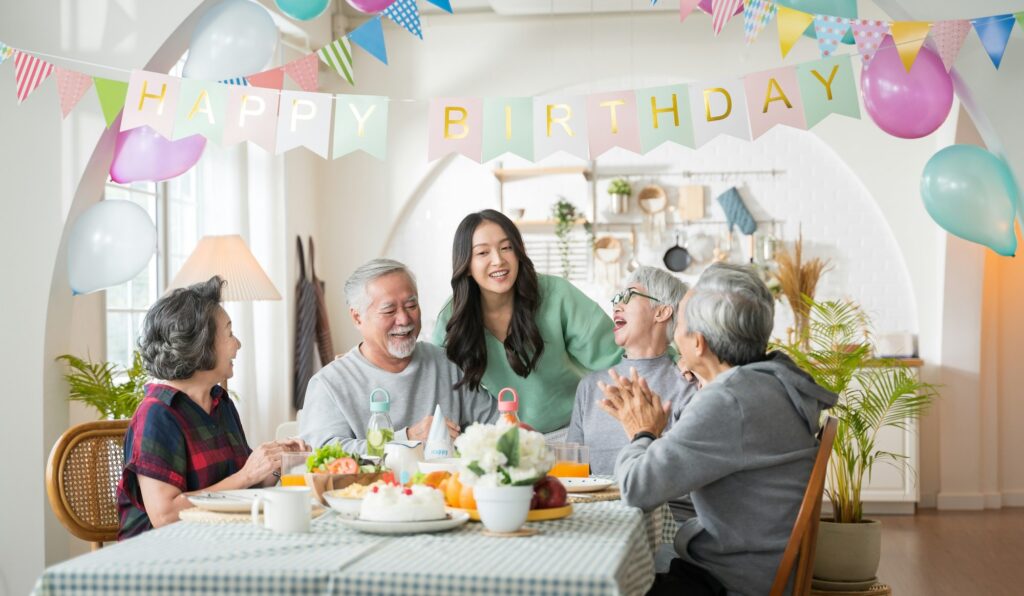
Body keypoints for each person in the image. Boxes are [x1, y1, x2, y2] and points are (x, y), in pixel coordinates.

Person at [599, 263, 837, 595]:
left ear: (698, 343)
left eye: (679, 325)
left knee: (603, 579)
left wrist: (642, 432)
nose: (675, 336)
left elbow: (636, 489)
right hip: (760, 569)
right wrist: (705, 378)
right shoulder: (770, 381)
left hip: (730, 583)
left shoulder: (728, 402)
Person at [117, 276, 308, 540]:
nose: (238, 344)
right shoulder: (157, 414)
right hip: (163, 551)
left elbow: (243, 484)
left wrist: (277, 462)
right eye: (229, 334)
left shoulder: (220, 401)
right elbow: (165, 515)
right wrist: (246, 475)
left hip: (221, 537)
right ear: (199, 345)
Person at [433, 209, 622, 437]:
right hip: (499, 440)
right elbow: (437, 383)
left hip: (572, 430)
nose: (498, 260)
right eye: (483, 252)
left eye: (506, 247)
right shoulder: (452, 316)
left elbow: (614, 356)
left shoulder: (556, 294)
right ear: (466, 264)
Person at [300, 259, 499, 453]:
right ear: (357, 317)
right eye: (389, 310)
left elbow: (498, 426)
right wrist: (407, 439)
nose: (404, 319)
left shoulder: (447, 364)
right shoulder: (329, 383)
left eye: (411, 306)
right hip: (371, 478)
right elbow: (321, 452)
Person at [567, 266, 696, 475]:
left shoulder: (688, 385)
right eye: (618, 298)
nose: (617, 305)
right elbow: (571, 472)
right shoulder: (590, 386)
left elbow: (686, 473)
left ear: (661, 312)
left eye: (629, 296)